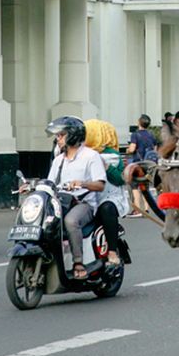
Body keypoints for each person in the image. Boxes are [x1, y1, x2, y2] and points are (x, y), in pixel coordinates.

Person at [46, 116, 106, 279]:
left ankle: (78, 262)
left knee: (71, 221)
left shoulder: (90, 156)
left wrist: (82, 184)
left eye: (61, 135)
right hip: (61, 202)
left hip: (83, 203)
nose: (57, 139)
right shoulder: (58, 160)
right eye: (57, 136)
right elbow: (50, 183)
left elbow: (100, 185)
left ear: (72, 135)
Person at [86, 119, 131, 266]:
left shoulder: (111, 155)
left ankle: (112, 251)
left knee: (107, 209)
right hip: (85, 196)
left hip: (108, 196)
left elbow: (119, 179)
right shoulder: (79, 152)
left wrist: (106, 167)